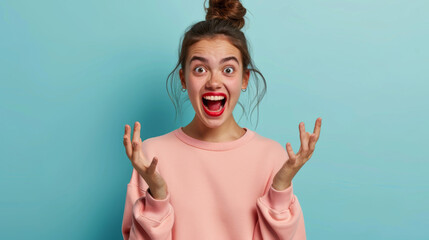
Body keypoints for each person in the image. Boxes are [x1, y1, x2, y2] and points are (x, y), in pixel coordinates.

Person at [121, 0, 322, 239]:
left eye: (228, 70)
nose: (214, 82)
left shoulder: (271, 157)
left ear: (244, 79)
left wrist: (279, 191)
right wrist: (158, 194)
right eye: (200, 69)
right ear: (183, 79)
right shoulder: (152, 155)